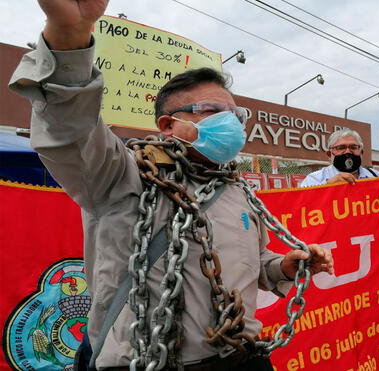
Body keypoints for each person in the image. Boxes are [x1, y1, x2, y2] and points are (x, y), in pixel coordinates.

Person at [10, 1, 333, 370]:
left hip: (244, 358)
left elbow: (252, 265)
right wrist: (69, 34)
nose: (231, 122)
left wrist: (285, 267)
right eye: (212, 111)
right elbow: (71, 128)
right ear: (168, 125)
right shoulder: (120, 176)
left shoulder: (239, 191)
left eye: (236, 113)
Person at [300, 128, 379, 186]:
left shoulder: (377, 178)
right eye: (341, 148)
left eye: (354, 147)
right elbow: (302, 208)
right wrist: (327, 187)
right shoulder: (314, 180)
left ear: (361, 152)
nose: (348, 152)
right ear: (329, 155)